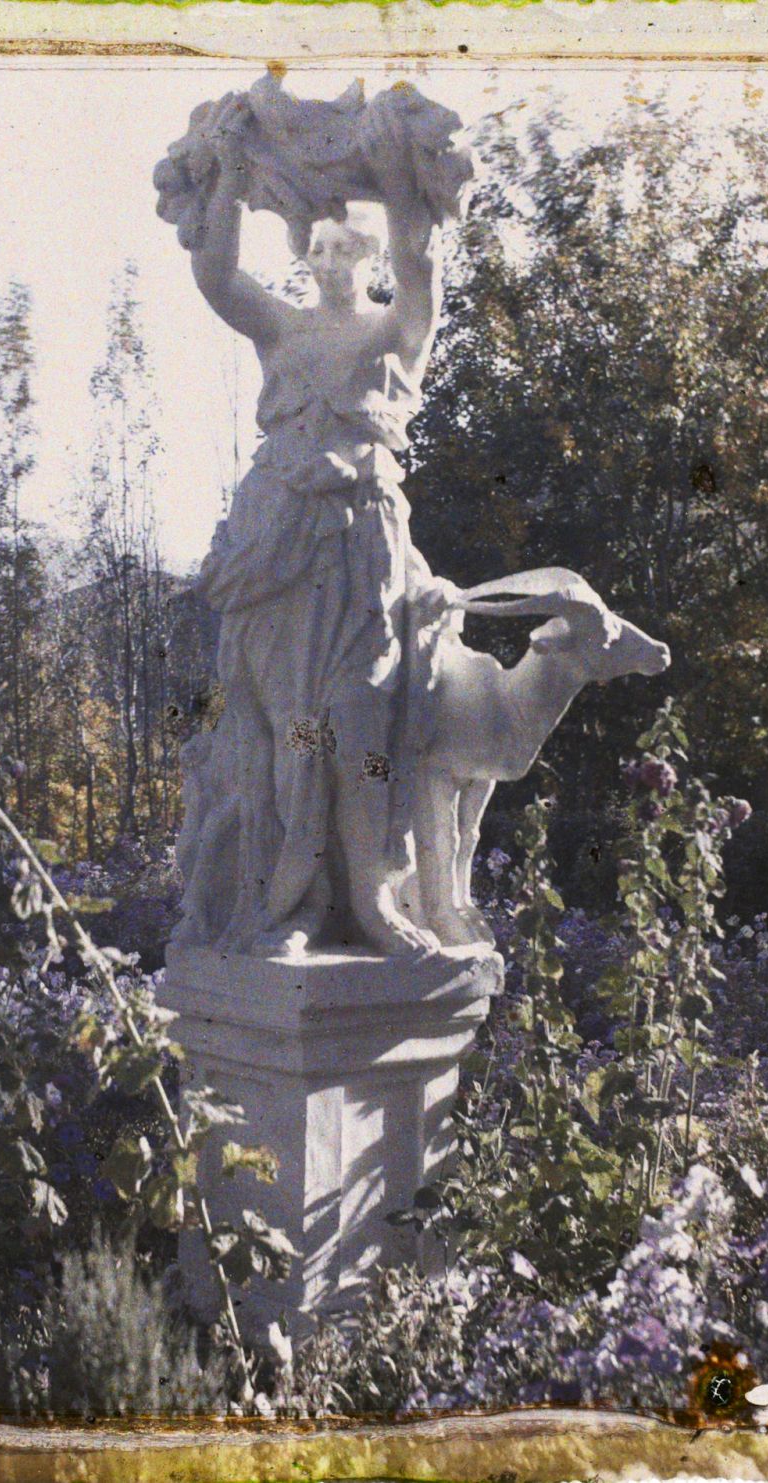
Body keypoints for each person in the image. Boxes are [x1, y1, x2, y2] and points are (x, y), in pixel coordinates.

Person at [174, 96, 451, 958]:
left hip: (362, 559)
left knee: (361, 729)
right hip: (282, 558)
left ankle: (372, 895)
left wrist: (404, 176)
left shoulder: (392, 335)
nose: (326, 258)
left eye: (343, 247)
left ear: (366, 255)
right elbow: (218, 278)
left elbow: (423, 269)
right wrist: (224, 176)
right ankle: (291, 906)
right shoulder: (284, 332)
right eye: (316, 247)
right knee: (298, 731)